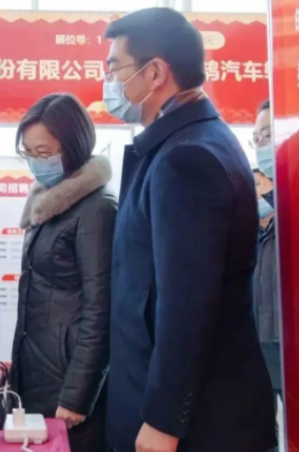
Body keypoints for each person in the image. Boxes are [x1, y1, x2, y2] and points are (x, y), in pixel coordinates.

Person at [103, 8, 276, 452]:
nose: (110, 83)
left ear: (155, 72)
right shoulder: (191, 142)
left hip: (195, 426)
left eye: (115, 68)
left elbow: (187, 304)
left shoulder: (187, 157)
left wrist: (164, 420)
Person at [9, 94, 116, 452]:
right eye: (28, 152)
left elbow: (101, 310)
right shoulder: (47, 205)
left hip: (68, 387)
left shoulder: (97, 209)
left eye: (43, 152)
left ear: (73, 145)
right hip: (39, 375)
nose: (35, 162)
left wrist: (77, 395)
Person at [252, 100, 282, 402]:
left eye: (268, 135)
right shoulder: (253, 226)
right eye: (257, 138)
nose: (261, 144)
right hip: (260, 344)